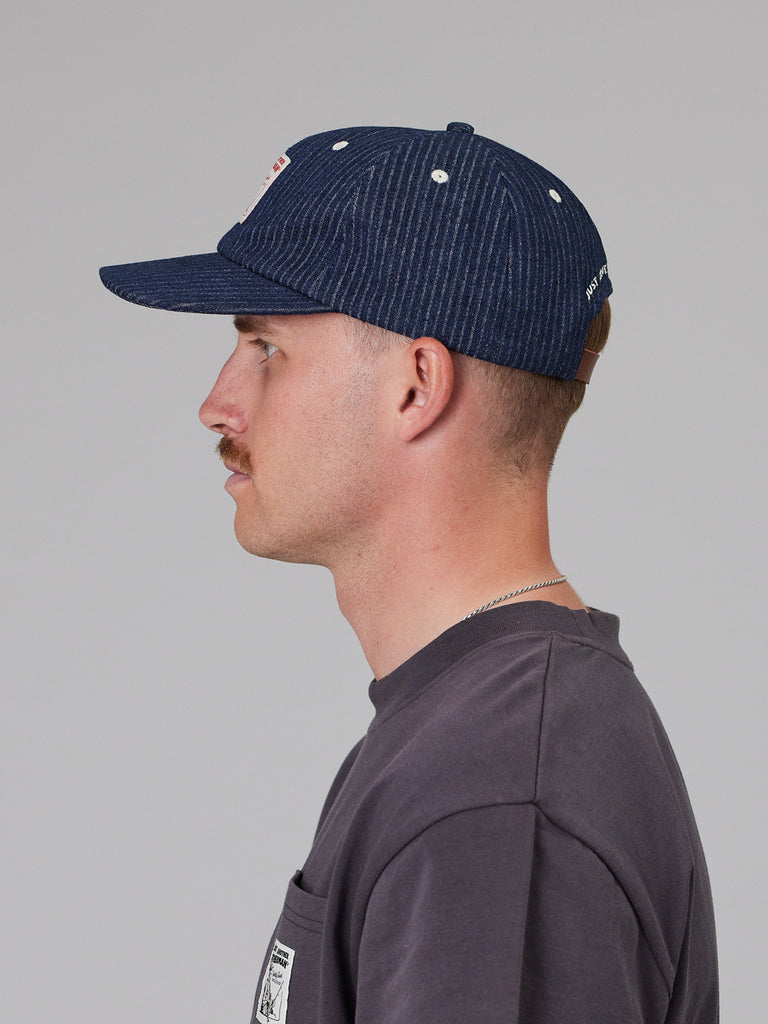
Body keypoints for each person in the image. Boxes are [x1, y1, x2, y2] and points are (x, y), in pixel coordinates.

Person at [99, 122, 719, 1023]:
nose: (216, 404)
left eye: (266, 347)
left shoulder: (496, 798)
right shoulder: (470, 733)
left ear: (417, 385)